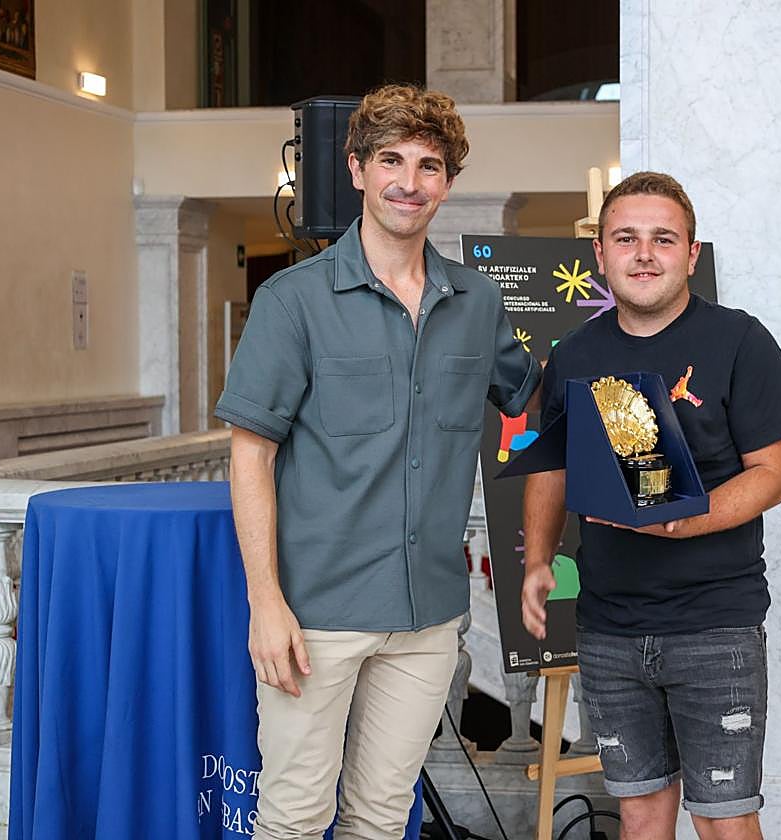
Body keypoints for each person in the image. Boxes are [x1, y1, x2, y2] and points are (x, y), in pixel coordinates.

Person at [216, 84, 540, 840]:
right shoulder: (292, 301)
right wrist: (266, 603)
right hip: (316, 615)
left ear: (447, 184)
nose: (409, 182)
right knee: (294, 819)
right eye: (391, 160)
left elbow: (539, 397)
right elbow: (251, 455)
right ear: (357, 169)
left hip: (428, 616)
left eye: (430, 166)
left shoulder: (478, 302)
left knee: (383, 818)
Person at [520, 172, 781, 840]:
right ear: (600, 255)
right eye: (626, 238)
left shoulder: (741, 342)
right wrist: (537, 560)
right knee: (641, 817)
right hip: (609, 628)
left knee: (724, 820)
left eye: (663, 239)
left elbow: (772, 475)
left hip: (715, 627)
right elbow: (552, 466)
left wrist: (684, 520)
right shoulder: (577, 354)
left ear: (691, 254)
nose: (644, 254)